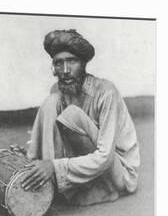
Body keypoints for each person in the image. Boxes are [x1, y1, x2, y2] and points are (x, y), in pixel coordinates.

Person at [21, 29, 140, 206]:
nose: (66, 70)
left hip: (118, 173)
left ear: (83, 64)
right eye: (59, 63)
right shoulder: (57, 91)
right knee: (51, 101)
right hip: (89, 166)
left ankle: (102, 190)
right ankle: (42, 175)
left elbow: (105, 157)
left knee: (72, 115)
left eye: (72, 61)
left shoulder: (106, 91)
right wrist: (32, 157)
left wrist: (54, 167)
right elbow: (56, 137)